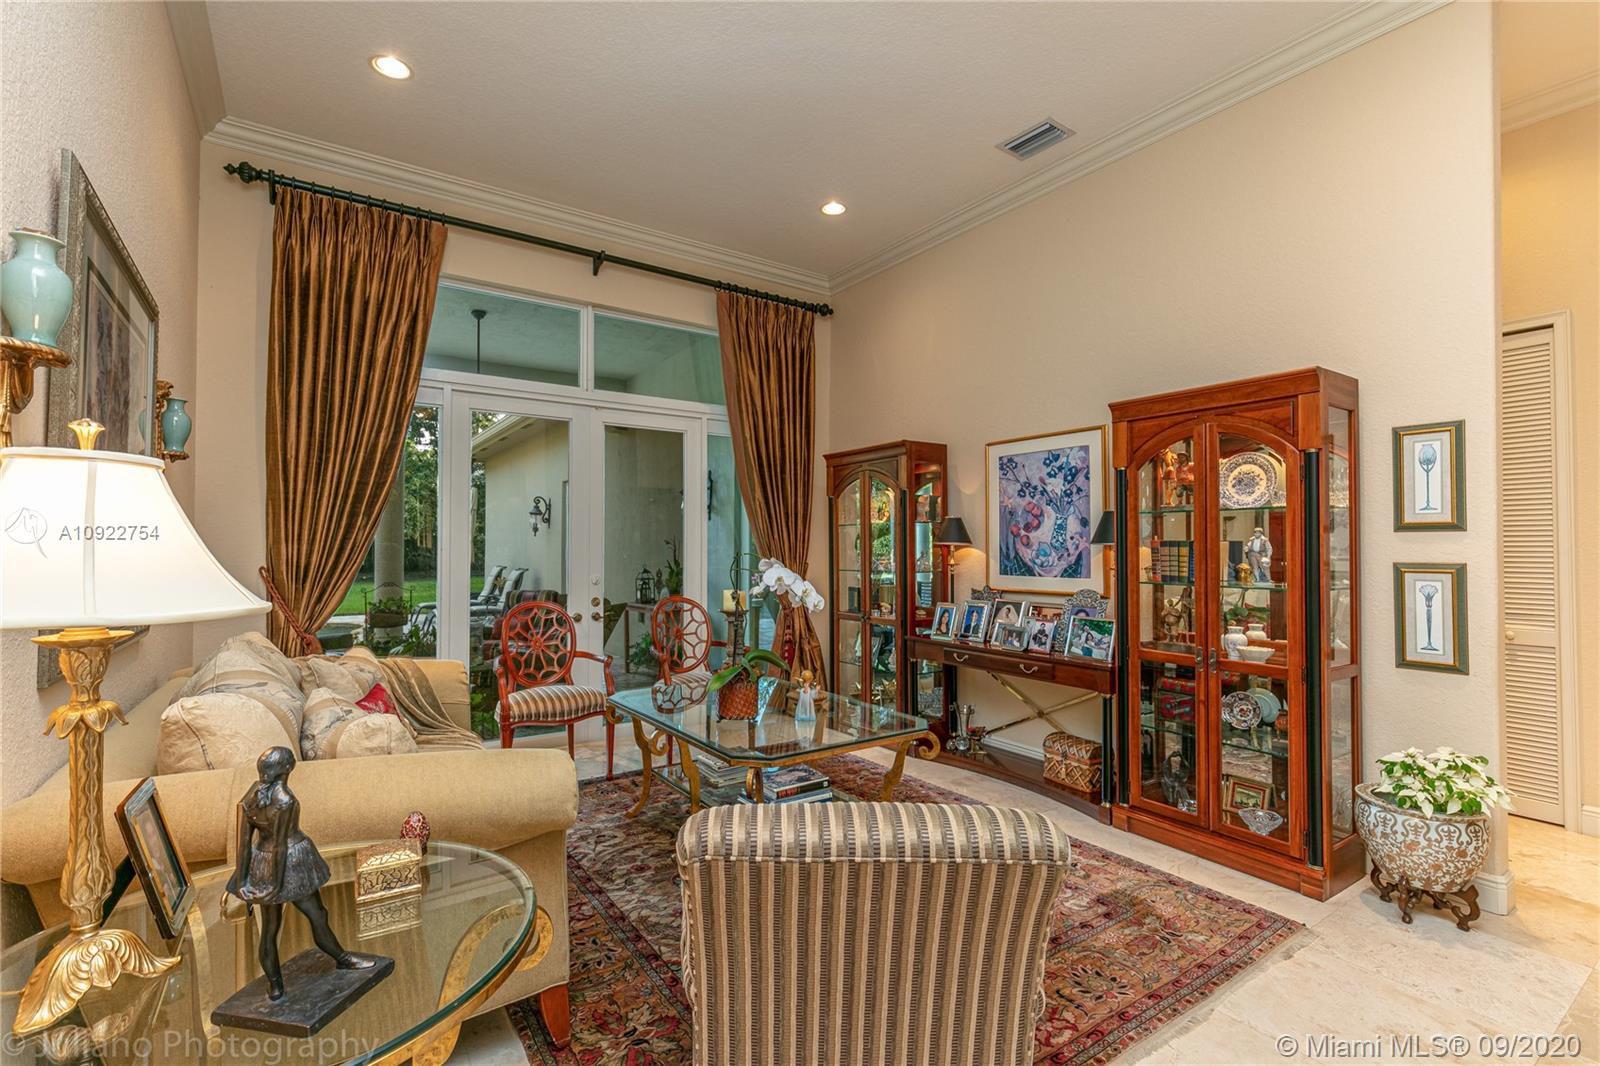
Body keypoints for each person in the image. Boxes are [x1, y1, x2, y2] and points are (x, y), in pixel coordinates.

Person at [228, 746, 376, 1000]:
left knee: (270, 928)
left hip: (262, 862)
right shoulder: (285, 800)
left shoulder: (251, 796)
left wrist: (243, 882)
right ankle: (342, 958)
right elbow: (280, 845)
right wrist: (275, 887)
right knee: (317, 914)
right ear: (288, 768)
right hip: (291, 863)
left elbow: (243, 844)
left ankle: (276, 987)